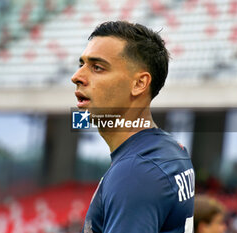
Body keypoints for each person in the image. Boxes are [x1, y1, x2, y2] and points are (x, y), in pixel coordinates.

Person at [71, 21, 194, 233]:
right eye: (81, 64)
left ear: (139, 84)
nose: (77, 77)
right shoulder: (170, 149)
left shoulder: (135, 173)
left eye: (97, 67)